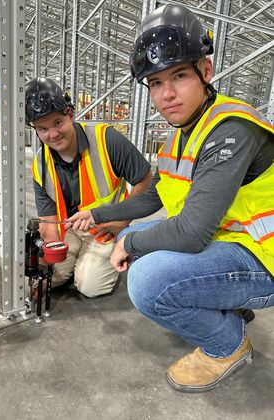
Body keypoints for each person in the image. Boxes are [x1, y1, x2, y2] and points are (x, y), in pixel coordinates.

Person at [67, 4, 274, 393]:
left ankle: (228, 344)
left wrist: (130, 240)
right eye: (156, 83)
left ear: (206, 71)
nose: (167, 94)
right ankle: (223, 304)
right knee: (144, 231)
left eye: (178, 76)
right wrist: (100, 214)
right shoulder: (182, 133)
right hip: (234, 239)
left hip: (265, 257)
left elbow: (193, 232)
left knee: (147, 280)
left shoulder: (231, 130)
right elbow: (156, 197)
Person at [25, 77, 153, 298]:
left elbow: (146, 180)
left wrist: (122, 221)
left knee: (89, 286)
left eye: (57, 123)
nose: (53, 134)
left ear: (70, 113)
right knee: (52, 276)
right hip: (71, 230)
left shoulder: (106, 140)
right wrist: (46, 270)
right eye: (42, 128)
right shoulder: (40, 164)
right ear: (35, 130)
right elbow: (48, 221)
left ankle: (115, 251)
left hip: (107, 229)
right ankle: (74, 262)